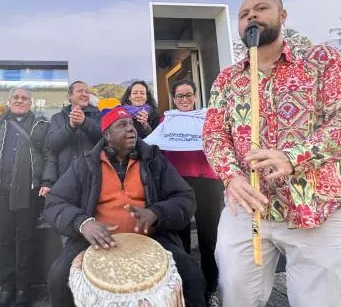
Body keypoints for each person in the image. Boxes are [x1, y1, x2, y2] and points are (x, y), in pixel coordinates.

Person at [202, 0, 341, 307]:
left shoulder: (321, 60)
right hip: (247, 209)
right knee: (235, 295)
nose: (251, 15)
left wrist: (293, 158)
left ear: (283, 15)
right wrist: (232, 177)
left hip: (317, 207)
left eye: (261, 8)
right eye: (244, 13)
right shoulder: (227, 80)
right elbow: (213, 133)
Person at [44, 106, 207, 307]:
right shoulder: (84, 165)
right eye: (122, 125)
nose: (131, 129)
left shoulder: (154, 159)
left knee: (192, 274)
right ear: (107, 136)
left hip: (152, 237)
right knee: (58, 276)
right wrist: (83, 223)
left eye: (131, 124)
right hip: (95, 241)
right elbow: (54, 202)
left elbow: (185, 197)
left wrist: (157, 213)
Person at [0, 87, 56, 307]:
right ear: (8, 101)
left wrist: (47, 181)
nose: (20, 101)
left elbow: (49, 155)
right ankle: (6, 288)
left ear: (31, 103)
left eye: (24, 98)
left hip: (29, 191)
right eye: (16, 98)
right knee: (3, 240)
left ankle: (23, 289)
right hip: (0, 189)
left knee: (27, 240)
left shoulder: (41, 126)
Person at [146, 79, 223, 304]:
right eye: (180, 96)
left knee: (209, 237)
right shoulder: (166, 119)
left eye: (188, 95)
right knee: (180, 239)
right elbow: (153, 144)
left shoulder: (208, 118)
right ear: (173, 99)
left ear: (195, 96)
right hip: (176, 186)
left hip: (207, 181)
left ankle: (210, 287)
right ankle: (185, 287)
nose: (185, 100)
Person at [46, 80, 102, 178]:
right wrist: (70, 126)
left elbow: (105, 139)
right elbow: (52, 144)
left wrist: (85, 123)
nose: (85, 94)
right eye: (80, 91)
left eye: (87, 92)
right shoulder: (57, 117)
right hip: (65, 175)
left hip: (93, 175)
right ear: (69, 96)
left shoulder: (99, 116)